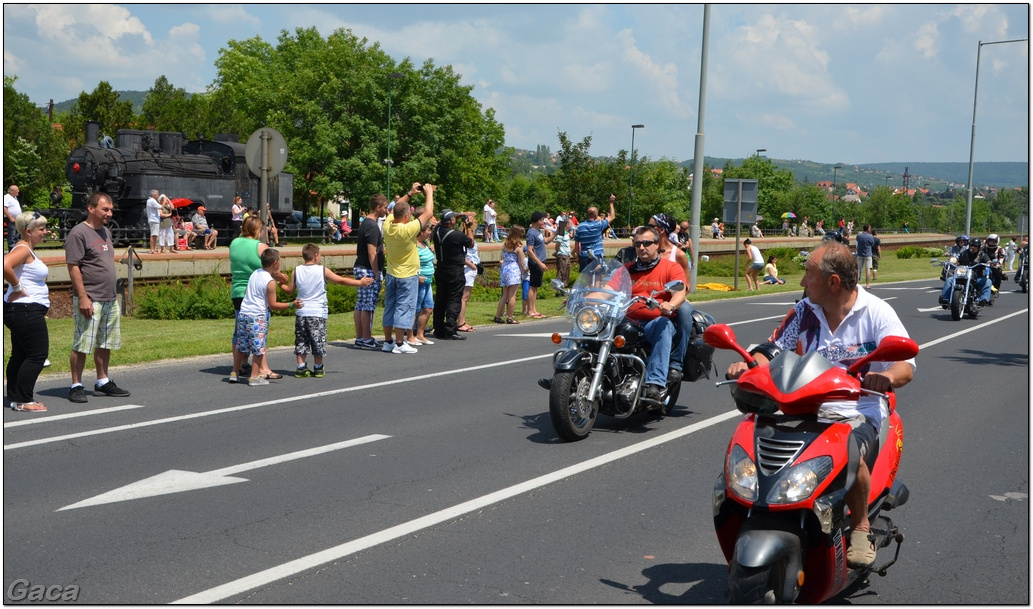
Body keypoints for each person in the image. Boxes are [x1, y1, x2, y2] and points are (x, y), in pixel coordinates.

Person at [725, 242, 916, 568]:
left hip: (856, 411)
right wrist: (749, 365)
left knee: (849, 450)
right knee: (755, 438)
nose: (801, 282)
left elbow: (906, 365)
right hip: (803, 405)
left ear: (833, 283)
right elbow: (772, 349)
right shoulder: (804, 312)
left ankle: (860, 526)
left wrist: (884, 376)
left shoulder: (876, 312)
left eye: (808, 275)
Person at [65, 193, 131, 403]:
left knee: (105, 342)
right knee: (83, 342)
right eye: (105, 209)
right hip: (90, 298)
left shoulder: (106, 232)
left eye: (111, 210)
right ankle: (76, 385)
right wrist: (82, 297)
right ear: (91, 209)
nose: (109, 214)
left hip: (109, 298)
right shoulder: (78, 233)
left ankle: (102, 381)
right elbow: (73, 267)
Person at [283, 243, 373, 378]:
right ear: (315, 256)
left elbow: (290, 291)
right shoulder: (322, 270)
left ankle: (301, 367)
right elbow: (341, 280)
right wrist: (360, 283)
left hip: (301, 312)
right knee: (317, 339)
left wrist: (280, 283)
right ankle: (318, 367)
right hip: (317, 312)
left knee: (301, 340)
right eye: (319, 255)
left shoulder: (296, 271)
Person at [623, 226, 688, 403]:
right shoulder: (627, 269)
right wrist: (586, 297)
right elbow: (608, 289)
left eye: (646, 243)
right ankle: (567, 373)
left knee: (664, 325)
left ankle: (655, 383)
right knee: (591, 320)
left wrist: (670, 304)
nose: (642, 247)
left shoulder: (670, 267)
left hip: (653, 323)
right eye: (638, 244)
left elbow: (680, 291)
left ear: (656, 244)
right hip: (628, 321)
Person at [229, 215, 288, 382]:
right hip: (255, 293)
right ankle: (263, 369)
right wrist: (282, 279)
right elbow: (270, 267)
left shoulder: (234, 243)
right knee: (259, 333)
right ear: (257, 230)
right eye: (262, 229)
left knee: (239, 333)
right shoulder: (260, 246)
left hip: (237, 292)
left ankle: (239, 365)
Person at [4, 211, 51, 411]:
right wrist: (16, 287)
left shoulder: (26, 248)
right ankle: (24, 400)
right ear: (28, 231)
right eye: (42, 229)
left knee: (20, 355)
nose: (45, 232)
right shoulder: (23, 249)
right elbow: (4, 264)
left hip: (22, 310)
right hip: (24, 310)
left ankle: (15, 396)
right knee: (37, 355)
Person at [234, 249, 301, 386]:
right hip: (257, 316)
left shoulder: (255, 273)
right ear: (275, 263)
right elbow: (273, 305)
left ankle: (234, 373)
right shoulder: (270, 282)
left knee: (241, 346)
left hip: (243, 313)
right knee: (259, 348)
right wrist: (291, 304)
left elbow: (247, 291)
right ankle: (254, 377)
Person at [382, 183, 435, 354]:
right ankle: (399, 344)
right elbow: (428, 213)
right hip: (407, 275)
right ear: (406, 216)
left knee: (390, 306)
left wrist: (410, 193)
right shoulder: (408, 229)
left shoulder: (388, 225)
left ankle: (388, 341)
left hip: (391, 273)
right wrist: (428, 193)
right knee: (404, 307)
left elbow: (393, 210)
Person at [352, 194, 388, 350]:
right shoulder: (372, 226)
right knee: (367, 306)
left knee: (360, 304)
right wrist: (376, 272)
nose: (386, 211)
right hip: (367, 268)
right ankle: (367, 338)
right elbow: (372, 252)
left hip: (360, 266)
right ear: (378, 207)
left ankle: (360, 337)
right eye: (385, 208)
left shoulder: (365, 223)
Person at [433, 209, 475, 340]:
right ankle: (450, 328)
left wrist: (459, 215)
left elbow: (442, 221)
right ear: (451, 221)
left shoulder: (437, 231)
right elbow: (471, 243)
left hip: (441, 268)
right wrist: (469, 227)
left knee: (440, 300)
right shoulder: (456, 235)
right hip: (455, 270)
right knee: (454, 299)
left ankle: (438, 328)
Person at [939, 238, 992, 307]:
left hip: (976, 278)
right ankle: (945, 299)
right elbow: (959, 262)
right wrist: (953, 262)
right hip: (963, 276)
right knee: (949, 280)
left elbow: (988, 261)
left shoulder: (982, 254)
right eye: (971, 245)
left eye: (975, 246)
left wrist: (991, 264)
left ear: (978, 247)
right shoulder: (964, 253)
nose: (972, 247)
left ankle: (983, 300)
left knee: (988, 281)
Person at [525, 211, 555, 319]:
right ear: (538, 220)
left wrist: (554, 234)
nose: (543, 222)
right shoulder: (531, 233)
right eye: (542, 220)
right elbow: (529, 250)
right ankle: (530, 311)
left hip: (540, 262)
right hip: (535, 263)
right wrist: (540, 263)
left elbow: (545, 241)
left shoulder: (538, 231)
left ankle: (534, 309)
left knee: (536, 287)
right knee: (532, 286)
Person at [574, 194, 616, 271]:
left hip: (584, 255)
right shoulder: (598, 225)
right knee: (598, 277)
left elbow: (577, 243)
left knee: (586, 278)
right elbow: (612, 216)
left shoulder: (580, 227)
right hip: (597, 255)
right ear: (596, 214)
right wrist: (611, 203)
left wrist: (577, 256)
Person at [494, 226, 525, 324]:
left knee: (504, 295)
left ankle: (498, 316)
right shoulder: (518, 247)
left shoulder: (505, 244)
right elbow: (521, 262)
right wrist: (521, 272)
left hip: (504, 269)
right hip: (513, 270)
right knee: (512, 295)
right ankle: (510, 317)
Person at [413, 219, 436, 345]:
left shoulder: (424, 244)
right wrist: (417, 277)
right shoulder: (414, 246)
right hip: (419, 281)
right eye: (428, 230)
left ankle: (420, 334)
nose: (430, 233)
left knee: (428, 307)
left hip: (428, 281)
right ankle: (411, 335)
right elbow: (409, 263)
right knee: (416, 309)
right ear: (421, 231)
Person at [457, 215, 480, 333]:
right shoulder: (464, 237)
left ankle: (462, 320)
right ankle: (461, 322)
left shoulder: (468, 236)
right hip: (467, 269)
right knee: (464, 297)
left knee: (465, 297)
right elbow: (462, 254)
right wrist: (471, 265)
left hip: (471, 269)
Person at [855, 224, 876, 289]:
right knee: (868, 269)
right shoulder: (870, 237)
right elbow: (872, 244)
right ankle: (867, 284)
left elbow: (857, 241)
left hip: (860, 253)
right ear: (868, 229)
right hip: (868, 254)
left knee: (858, 269)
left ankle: (857, 284)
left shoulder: (859, 236)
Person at [553, 220, 572, 288]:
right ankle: (558, 289)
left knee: (566, 273)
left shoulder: (567, 233)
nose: (572, 225)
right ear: (567, 224)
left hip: (567, 255)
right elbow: (557, 244)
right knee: (561, 273)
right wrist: (558, 252)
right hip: (563, 255)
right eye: (571, 223)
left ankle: (563, 288)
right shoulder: (562, 233)